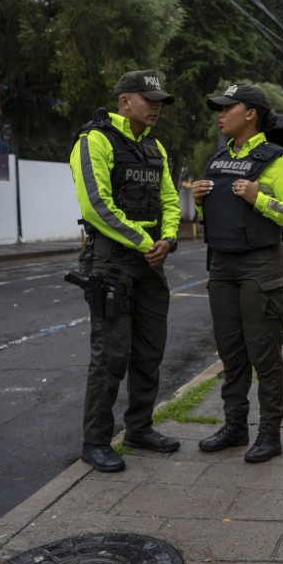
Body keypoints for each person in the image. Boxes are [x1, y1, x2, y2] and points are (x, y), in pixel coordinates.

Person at [190, 84, 283, 464]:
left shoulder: (277, 159)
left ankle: (269, 435)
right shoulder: (218, 159)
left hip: (262, 266)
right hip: (222, 264)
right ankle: (235, 426)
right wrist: (198, 199)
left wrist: (259, 197)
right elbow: (218, 214)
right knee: (231, 353)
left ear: (251, 114)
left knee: (265, 355)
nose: (220, 115)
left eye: (228, 108)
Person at [69, 69, 182, 473]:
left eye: (160, 102)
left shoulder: (155, 148)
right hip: (112, 262)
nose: (156, 108)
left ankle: (140, 428)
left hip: (151, 262)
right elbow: (96, 207)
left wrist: (167, 240)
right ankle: (95, 441)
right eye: (149, 100)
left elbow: (170, 199)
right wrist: (145, 242)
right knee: (111, 355)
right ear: (124, 101)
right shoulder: (94, 140)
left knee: (150, 352)